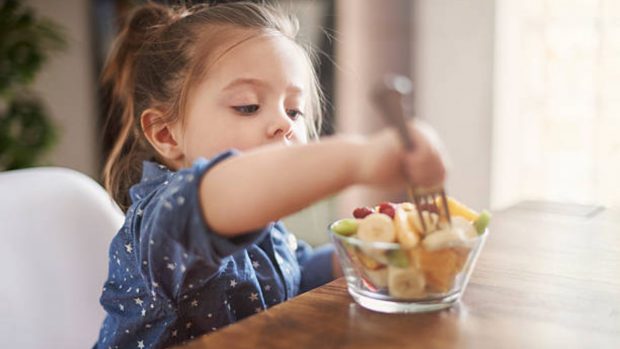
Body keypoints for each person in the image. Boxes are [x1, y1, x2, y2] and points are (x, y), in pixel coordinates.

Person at [94, 1, 446, 348]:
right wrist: (360, 157)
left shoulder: (262, 223)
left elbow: (294, 272)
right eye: (247, 106)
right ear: (166, 134)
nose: (283, 124)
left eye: (294, 111)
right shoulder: (163, 220)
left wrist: (363, 254)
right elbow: (226, 190)